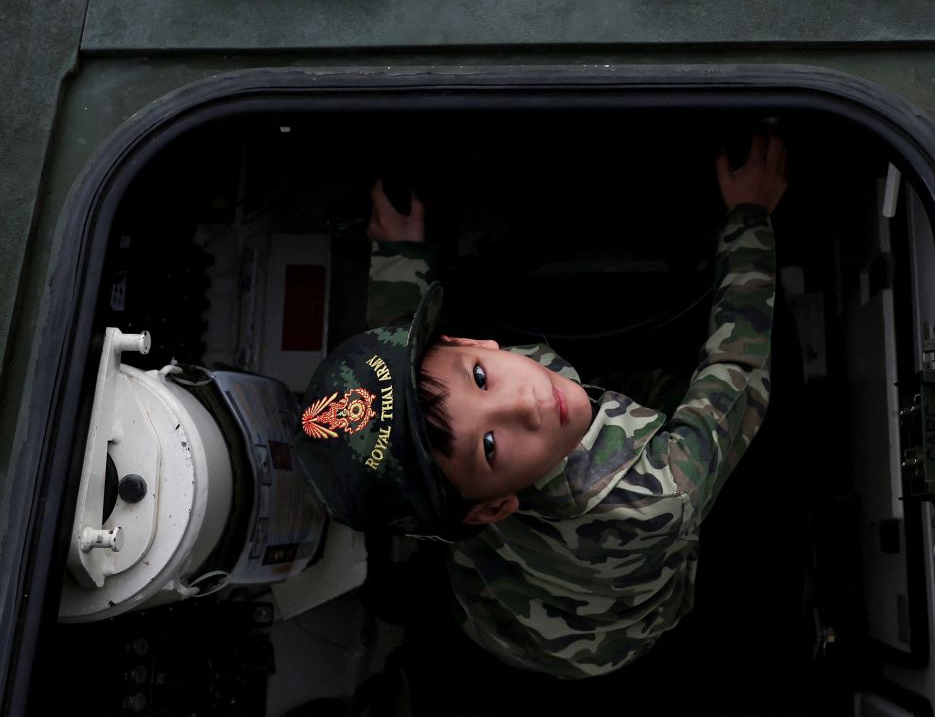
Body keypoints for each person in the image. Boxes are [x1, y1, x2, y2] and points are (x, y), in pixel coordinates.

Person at [293, 131, 786, 678]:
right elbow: (739, 372)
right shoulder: (660, 491)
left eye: (482, 378)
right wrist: (750, 216)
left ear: (467, 343)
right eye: (490, 445)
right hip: (609, 640)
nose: (525, 403)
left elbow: (399, 381)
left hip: (492, 614)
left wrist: (401, 254)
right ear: (492, 510)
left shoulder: (458, 493)